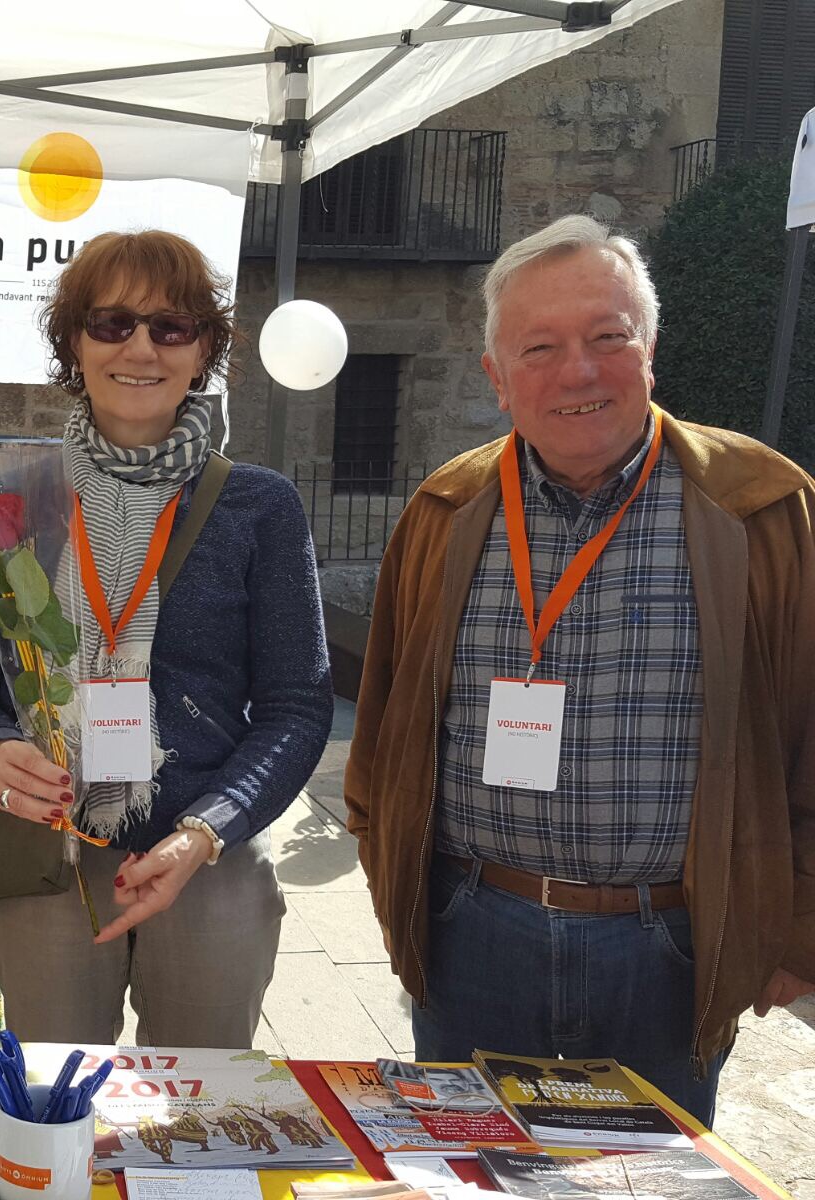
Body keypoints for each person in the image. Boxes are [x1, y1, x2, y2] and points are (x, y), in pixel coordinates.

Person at [344, 214, 815, 1124]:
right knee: (471, 1166)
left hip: (671, 944)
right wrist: (394, 878)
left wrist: (796, 931)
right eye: (541, 348)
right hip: (469, 931)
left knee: (643, 1178)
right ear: (496, 376)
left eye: (608, 337)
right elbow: (383, 728)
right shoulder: (445, 509)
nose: (579, 372)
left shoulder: (762, 508)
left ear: (650, 352)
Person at [0, 230, 335, 1047]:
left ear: (204, 351)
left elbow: (297, 708)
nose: (141, 347)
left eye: (171, 326)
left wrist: (208, 829)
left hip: (207, 853)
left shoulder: (260, 507)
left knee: (199, 1102)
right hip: (46, 855)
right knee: (54, 1095)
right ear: (74, 345)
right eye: (112, 323)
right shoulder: (8, 505)